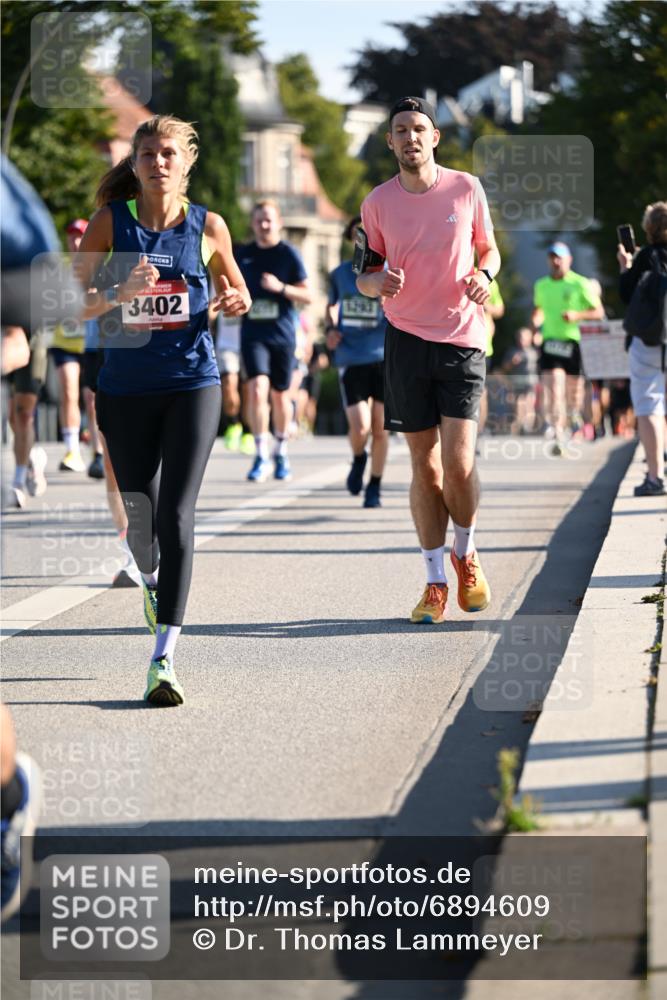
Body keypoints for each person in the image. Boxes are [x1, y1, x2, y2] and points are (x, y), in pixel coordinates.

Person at [76, 115, 250, 705]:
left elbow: (238, 289)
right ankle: (150, 579)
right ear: (135, 163)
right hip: (124, 389)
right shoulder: (110, 223)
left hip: (192, 383)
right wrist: (118, 294)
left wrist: (234, 296)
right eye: (148, 154)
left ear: (187, 162)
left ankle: (164, 659)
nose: (158, 163)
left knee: (176, 515)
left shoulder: (208, 225)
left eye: (169, 153)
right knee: (143, 525)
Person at [357, 96, 499, 623]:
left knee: (460, 464)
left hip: (462, 335)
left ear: (434, 137)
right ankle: (435, 580)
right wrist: (378, 282)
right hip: (406, 339)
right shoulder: (376, 203)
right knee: (425, 466)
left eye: (419, 128)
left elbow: (490, 249)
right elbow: (364, 275)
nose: (410, 137)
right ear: (390, 142)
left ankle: (466, 552)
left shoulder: (465, 188)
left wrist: (485, 277)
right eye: (400, 130)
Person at [236, 199, 311, 482]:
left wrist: (281, 288)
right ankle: (261, 454)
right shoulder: (243, 255)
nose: (264, 225)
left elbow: (308, 295)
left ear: (278, 222)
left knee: (280, 396)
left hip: (282, 335)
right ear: (253, 224)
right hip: (253, 334)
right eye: (259, 220)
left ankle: (280, 451)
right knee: (256, 389)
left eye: (268, 220)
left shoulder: (288, 254)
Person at [326, 214, 389, 508]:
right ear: (351, 240)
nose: (362, 241)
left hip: (385, 356)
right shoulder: (339, 274)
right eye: (357, 235)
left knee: (380, 428)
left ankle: (375, 485)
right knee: (360, 427)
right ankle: (358, 457)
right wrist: (330, 330)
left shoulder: (389, 272)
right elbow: (331, 307)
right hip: (352, 356)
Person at [532, 243, 604, 455]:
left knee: (574, 393)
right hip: (550, 341)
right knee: (554, 386)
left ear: (569, 260)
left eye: (560, 258)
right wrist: (536, 323)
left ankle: (573, 416)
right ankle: (557, 432)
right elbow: (538, 310)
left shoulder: (580, 283)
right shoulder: (541, 285)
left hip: (572, 342)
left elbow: (598, 311)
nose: (556, 261)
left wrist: (577, 315)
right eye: (552, 257)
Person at [618, 201, 667, 497]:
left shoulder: (645, 257)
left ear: (648, 228)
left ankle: (654, 477)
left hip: (648, 340)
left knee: (649, 404)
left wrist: (626, 267)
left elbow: (627, 296)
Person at [49, 219, 89, 473]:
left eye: (80, 236)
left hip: (93, 342)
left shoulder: (100, 264)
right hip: (64, 341)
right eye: (71, 236)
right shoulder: (59, 267)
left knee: (93, 398)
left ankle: (98, 448)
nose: (75, 241)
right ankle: (72, 450)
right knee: (68, 390)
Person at [478, 279, 505, 435]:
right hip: (455, 342)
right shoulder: (455, 271)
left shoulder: (487, 279)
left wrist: (486, 306)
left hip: (482, 345)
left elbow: (500, 309)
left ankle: (478, 433)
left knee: (479, 391)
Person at [502, 327, 539, 435]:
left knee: (529, 403)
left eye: (524, 337)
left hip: (531, 381)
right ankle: (520, 424)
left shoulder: (534, 351)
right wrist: (512, 362)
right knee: (518, 403)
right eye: (519, 337)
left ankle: (528, 426)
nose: (521, 340)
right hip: (517, 382)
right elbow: (505, 367)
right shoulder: (512, 351)